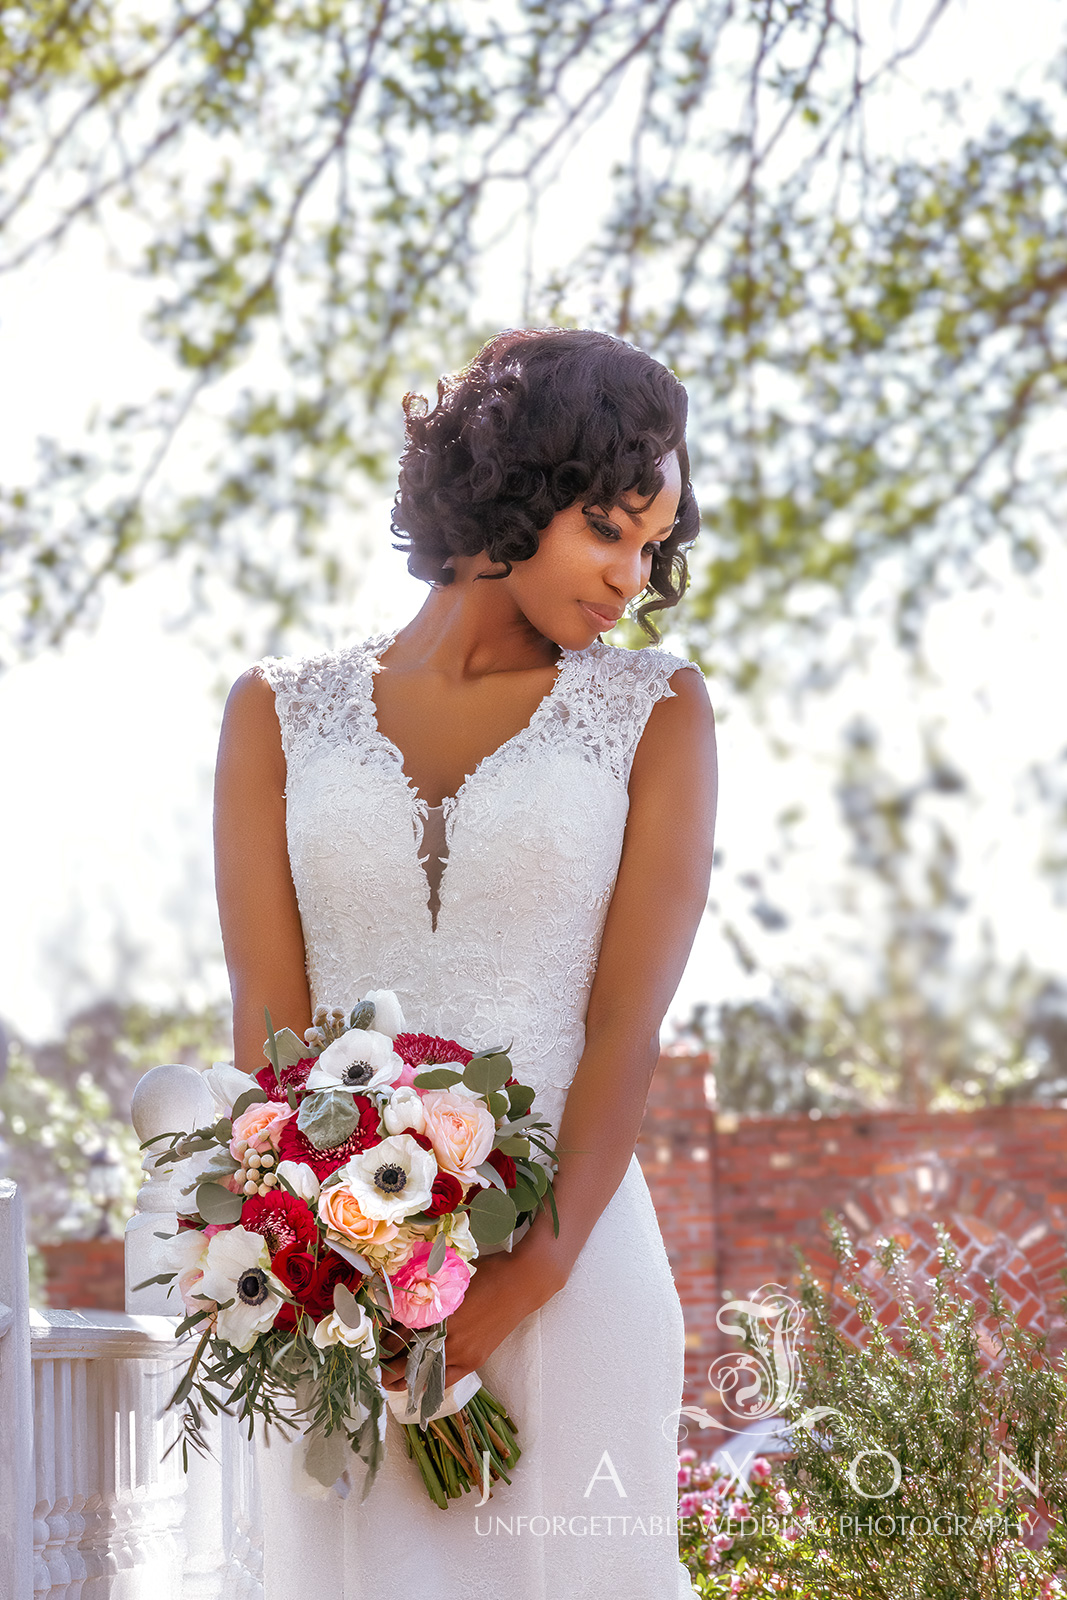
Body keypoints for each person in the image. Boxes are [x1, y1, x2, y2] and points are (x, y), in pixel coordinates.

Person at [213, 327, 718, 1598]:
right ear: (519, 485)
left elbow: (624, 1025)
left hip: (573, 1267)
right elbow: (267, 1026)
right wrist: (331, 1257)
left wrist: (531, 1266)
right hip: (342, 1298)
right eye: (609, 529)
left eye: (652, 547)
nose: (630, 577)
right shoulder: (275, 714)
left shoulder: (654, 711)